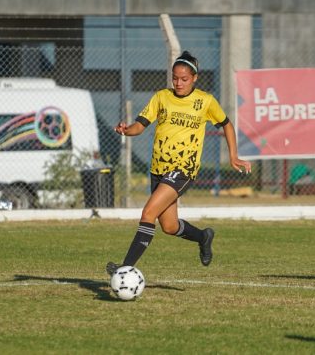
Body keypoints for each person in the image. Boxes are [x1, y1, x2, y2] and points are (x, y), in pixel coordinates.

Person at [106, 51, 251, 275]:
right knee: (170, 226)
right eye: (175, 78)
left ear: (194, 78)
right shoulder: (161, 97)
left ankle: (125, 269)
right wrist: (127, 131)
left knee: (148, 214)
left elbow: (227, 124)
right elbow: (140, 125)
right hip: (158, 169)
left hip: (183, 170)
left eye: (184, 79)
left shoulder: (205, 101)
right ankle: (203, 236)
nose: (178, 83)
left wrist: (233, 155)